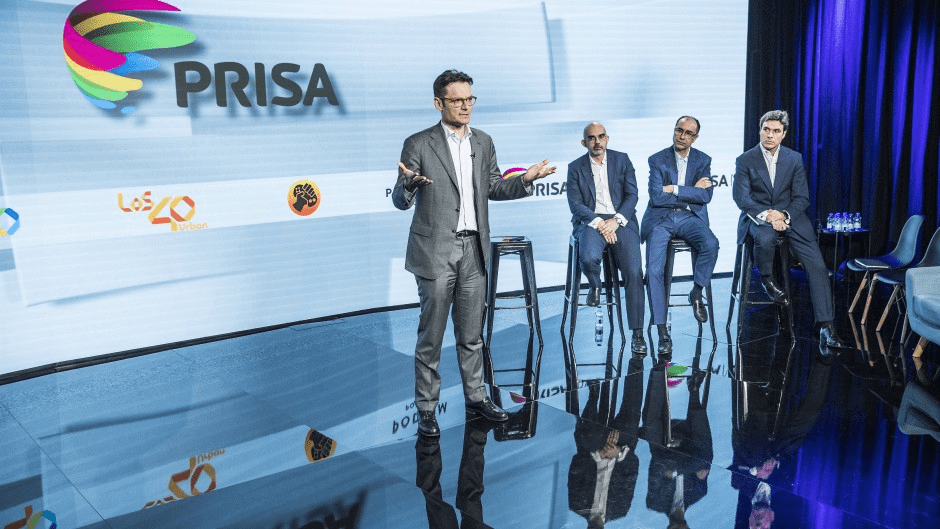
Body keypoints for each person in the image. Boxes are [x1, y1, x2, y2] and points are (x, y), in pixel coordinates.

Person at [393, 69, 556, 438]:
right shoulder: (418, 143)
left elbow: (494, 187)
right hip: (435, 250)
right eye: (457, 100)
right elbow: (400, 200)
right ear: (439, 103)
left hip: (475, 250)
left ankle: (477, 396)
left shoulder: (483, 141)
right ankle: (427, 410)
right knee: (431, 338)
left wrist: (525, 180)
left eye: (470, 99)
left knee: (471, 335)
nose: (465, 106)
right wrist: (409, 186)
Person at [731, 110, 845, 348]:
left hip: (791, 218)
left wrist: (783, 215)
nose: (769, 135)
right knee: (765, 237)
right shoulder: (745, 160)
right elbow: (742, 198)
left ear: (783, 134)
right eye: (766, 129)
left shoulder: (794, 158)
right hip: (759, 219)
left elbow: (802, 197)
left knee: (817, 266)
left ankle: (826, 326)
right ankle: (767, 280)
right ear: (760, 130)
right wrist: (769, 215)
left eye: (775, 131)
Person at [567, 122, 647, 354]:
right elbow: (575, 204)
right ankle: (595, 285)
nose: (597, 142)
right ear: (584, 143)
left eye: (601, 137)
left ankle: (637, 333)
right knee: (589, 258)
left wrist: (616, 220)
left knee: (634, 271)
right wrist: (600, 224)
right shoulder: (575, 167)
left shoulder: (622, 160)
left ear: (607, 138)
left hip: (620, 219)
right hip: (591, 221)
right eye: (592, 138)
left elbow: (632, 195)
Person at [641, 116, 719, 355]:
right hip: (661, 219)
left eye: (688, 133)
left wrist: (674, 189)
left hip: (689, 217)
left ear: (695, 138)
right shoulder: (657, 159)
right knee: (654, 270)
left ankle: (696, 291)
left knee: (711, 244)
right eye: (679, 130)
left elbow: (706, 197)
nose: (682, 136)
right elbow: (656, 197)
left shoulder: (703, 160)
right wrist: (691, 190)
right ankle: (662, 331)